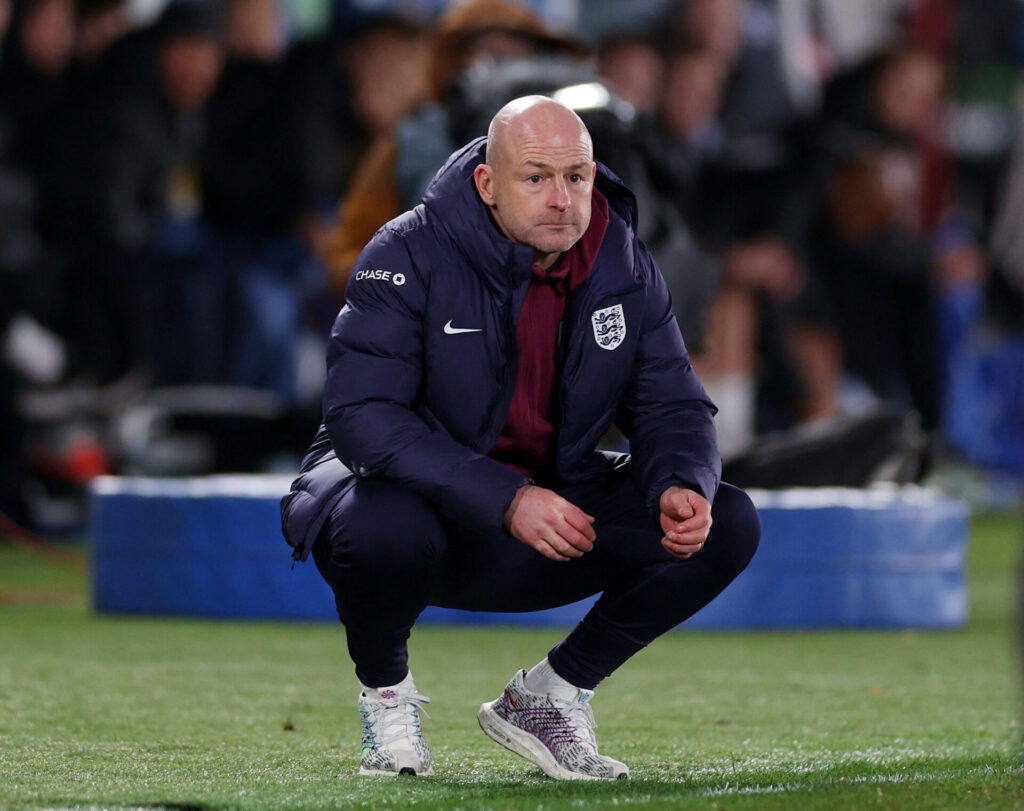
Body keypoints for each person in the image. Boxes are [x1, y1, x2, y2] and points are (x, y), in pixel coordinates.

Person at [281, 96, 761, 780]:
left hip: (547, 516)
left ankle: (551, 695)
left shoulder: (621, 258)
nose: (562, 198)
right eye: (536, 177)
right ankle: (386, 697)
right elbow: (364, 417)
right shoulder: (406, 250)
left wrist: (681, 481)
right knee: (376, 523)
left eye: (577, 177)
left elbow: (672, 403)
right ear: (487, 183)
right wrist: (507, 497)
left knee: (727, 521)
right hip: (427, 518)